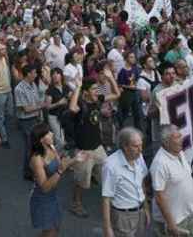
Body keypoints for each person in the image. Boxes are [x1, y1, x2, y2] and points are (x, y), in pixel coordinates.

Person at [68, 74, 118, 218]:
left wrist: (110, 78)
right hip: (84, 151)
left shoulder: (98, 100)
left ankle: (113, 202)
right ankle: (76, 204)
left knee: (108, 175)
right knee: (81, 182)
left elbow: (116, 94)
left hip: (98, 148)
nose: (97, 91)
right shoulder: (81, 106)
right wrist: (78, 86)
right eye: (94, 89)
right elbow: (72, 108)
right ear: (86, 92)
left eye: (98, 88)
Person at [29, 123, 83, 237]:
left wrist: (75, 159)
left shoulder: (51, 147)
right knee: (51, 232)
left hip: (53, 196)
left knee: (55, 229)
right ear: (41, 139)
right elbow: (44, 187)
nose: (52, 133)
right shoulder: (36, 159)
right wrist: (60, 171)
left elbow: (60, 165)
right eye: (49, 133)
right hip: (42, 199)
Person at [150, 125, 193, 237]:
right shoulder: (159, 164)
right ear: (166, 142)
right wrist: (171, 223)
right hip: (176, 221)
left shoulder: (178, 152)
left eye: (180, 136)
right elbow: (159, 197)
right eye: (177, 137)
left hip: (191, 210)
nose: (181, 139)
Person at [102, 128, 150, 237]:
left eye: (141, 145)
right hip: (123, 217)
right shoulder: (110, 165)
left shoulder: (139, 157)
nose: (140, 149)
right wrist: (107, 228)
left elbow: (141, 184)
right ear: (125, 147)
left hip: (140, 212)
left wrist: (146, 208)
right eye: (136, 146)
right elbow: (106, 198)